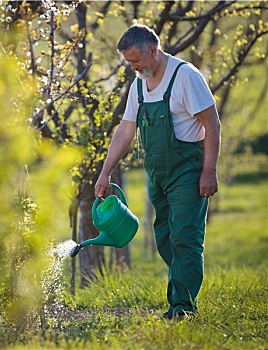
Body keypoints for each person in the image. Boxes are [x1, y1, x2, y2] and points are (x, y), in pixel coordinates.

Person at [95, 24, 221, 321]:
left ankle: (182, 308)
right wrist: (105, 173)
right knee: (164, 236)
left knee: (184, 237)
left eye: (135, 60)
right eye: (128, 62)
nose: (132, 67)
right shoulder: (139, 85)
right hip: (158, 173)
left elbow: (212, 124)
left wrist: (209, 170)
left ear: (153, 50)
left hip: (189, 170)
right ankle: (179, 299)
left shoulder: (185, 77)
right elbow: (126, 130)